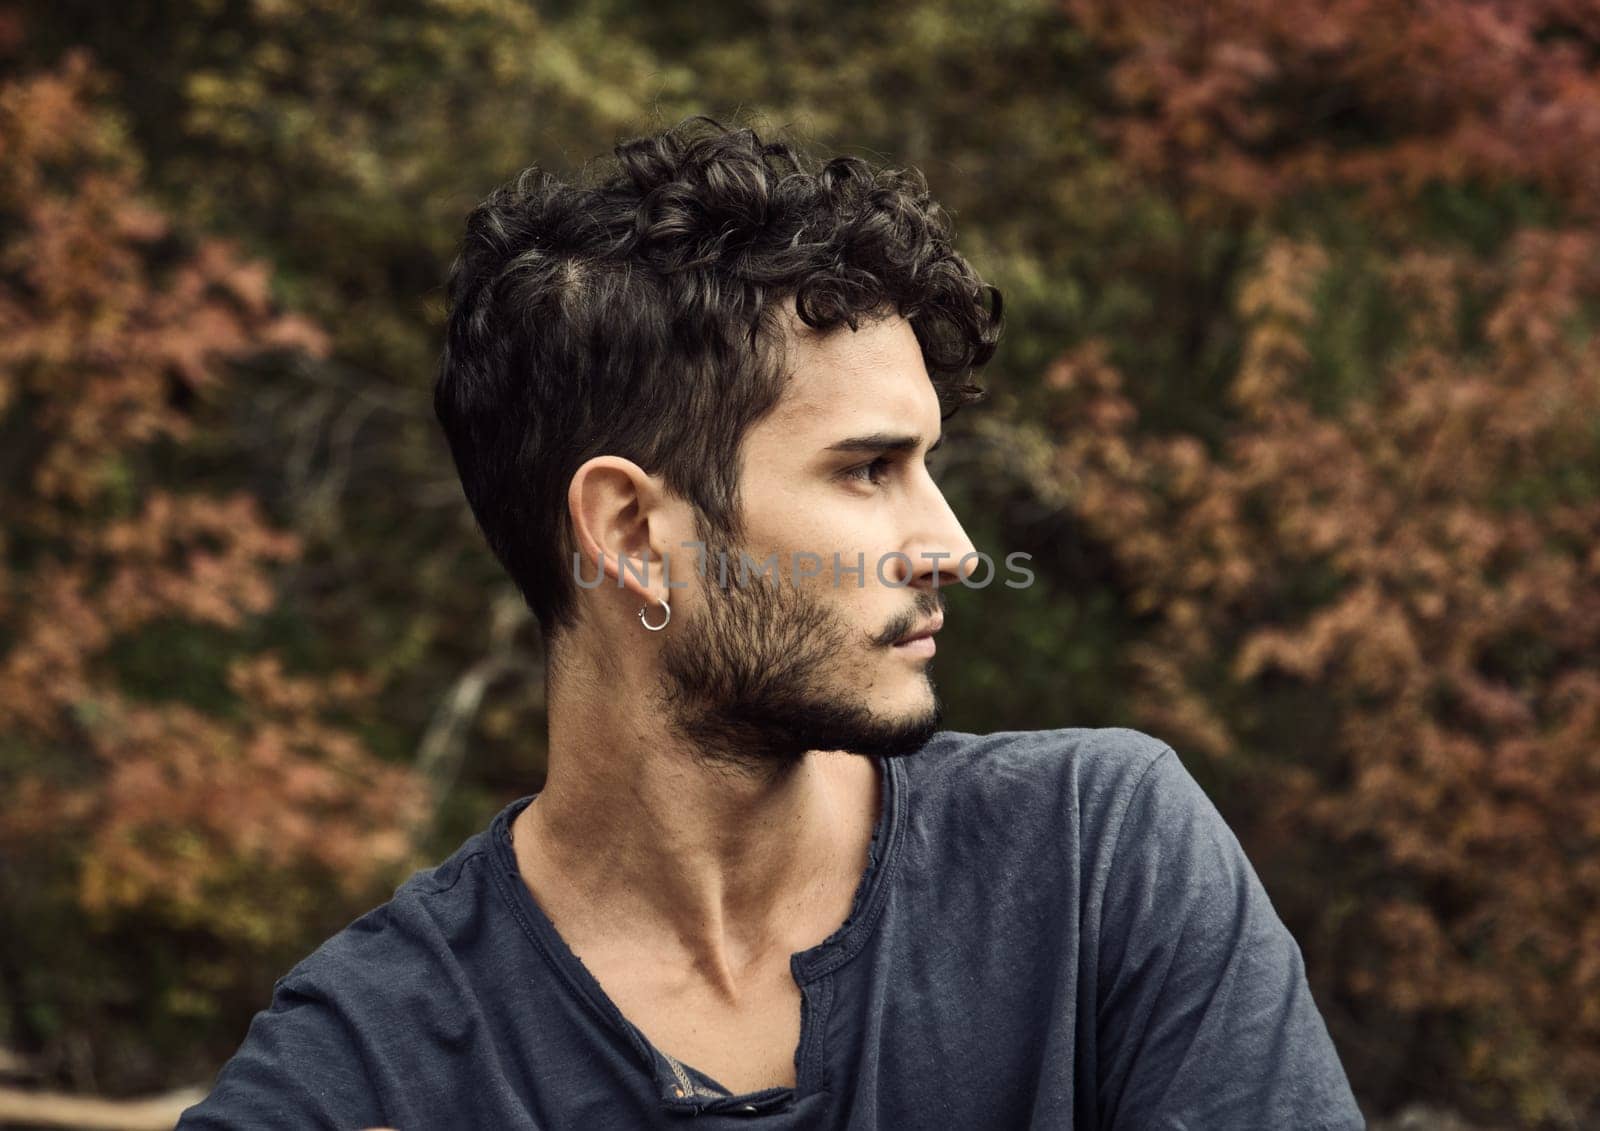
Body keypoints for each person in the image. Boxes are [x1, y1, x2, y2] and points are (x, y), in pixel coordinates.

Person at [178, 117, 1365, 1130]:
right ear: (633, 533)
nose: (948, 546)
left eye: (926, 464)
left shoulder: (1094, 862)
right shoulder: (365, 1060)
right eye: (866, 470)